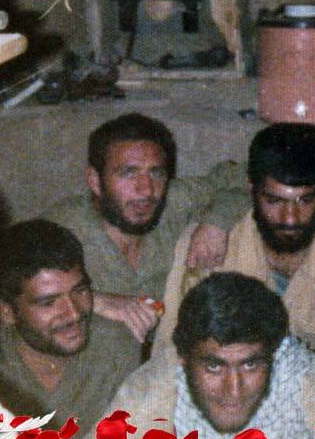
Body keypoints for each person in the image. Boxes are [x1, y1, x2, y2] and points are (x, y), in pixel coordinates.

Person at [154, 124, 315, 423]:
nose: (290, 218)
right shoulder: (206, 248)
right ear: (251, 190)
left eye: (304, 201)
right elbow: (169, 352)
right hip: (221, 409)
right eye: (274, 201)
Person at [44, 113, 248, 344]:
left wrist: (216, 223)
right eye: (128, 173)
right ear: (95, 180)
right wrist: (93, 300)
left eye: (156, 172)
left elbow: (244, 174)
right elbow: (13, 286)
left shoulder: (174, 201)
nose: (146, 190)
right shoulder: (62, 226)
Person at [110, 272, 315, 439]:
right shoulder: (153, 386)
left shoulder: (305, 377)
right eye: (214, 367)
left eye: (250, 365)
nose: (234, 390)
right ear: (183, 359)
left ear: (273, 354)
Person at [0, 220, 141, 437]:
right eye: (49, 303)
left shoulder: (116, 349)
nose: (74, 313)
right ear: (7, 312)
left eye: (80, 291)